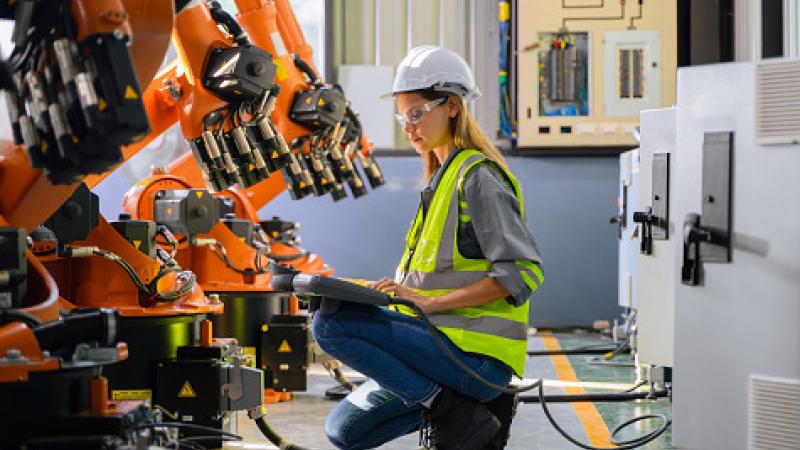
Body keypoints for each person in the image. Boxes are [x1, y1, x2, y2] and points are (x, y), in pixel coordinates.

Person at [312, 45, 543, 450]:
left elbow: (522, 273)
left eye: (417, 113)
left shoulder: (478, 178)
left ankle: (454, 411)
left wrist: (429, 304)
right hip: (436, 343)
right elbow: (429, 278)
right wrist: (374, 293)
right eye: (403, 116)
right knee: (345, 432)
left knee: (330, 325)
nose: (408, 126)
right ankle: (466, 409)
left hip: (476, 357)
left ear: (452, 106)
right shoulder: (439, 180)